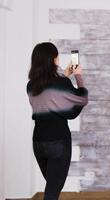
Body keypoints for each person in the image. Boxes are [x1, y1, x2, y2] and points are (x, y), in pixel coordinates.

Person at [27, 42, 88, 200]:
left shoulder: (31, 86)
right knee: (52, 193)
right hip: (58, 142)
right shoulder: (61, 83)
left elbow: (49, 97)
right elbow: (80, 99)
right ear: (54, 59)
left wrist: (64, 76)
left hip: (39, 142)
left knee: (52, 187)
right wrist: (78, 75)